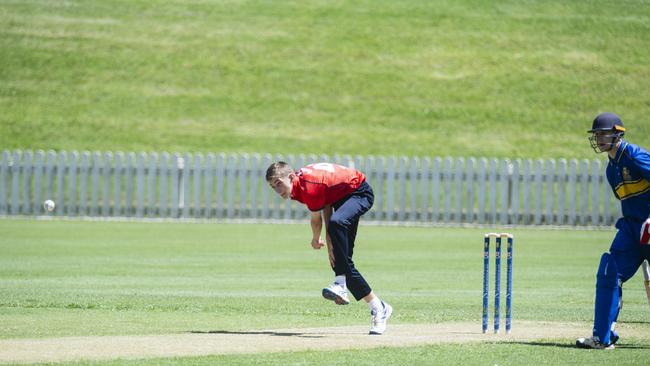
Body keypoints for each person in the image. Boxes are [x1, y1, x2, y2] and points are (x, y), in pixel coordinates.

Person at [265, 161, 392, 335]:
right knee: (340, 261)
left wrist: (325, 237)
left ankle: (340, 283)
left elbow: (319, 217)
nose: (278, 190)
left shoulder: (308, 185)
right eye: (273, 187)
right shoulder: (299, 186)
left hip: (359, 193)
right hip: (342, 199)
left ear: (292, 176)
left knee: (337, 226)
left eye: (279, 183)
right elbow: (324, 204)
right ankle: (379, 307)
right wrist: (322, 238)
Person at [576, 112, 650, 349]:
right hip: (630, 229)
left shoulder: (636, 156)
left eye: (603, 133)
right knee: (610, 270)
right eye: (596, 134)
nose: (598, 138)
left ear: (618, 134)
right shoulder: (611, 170)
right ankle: (602, 337)